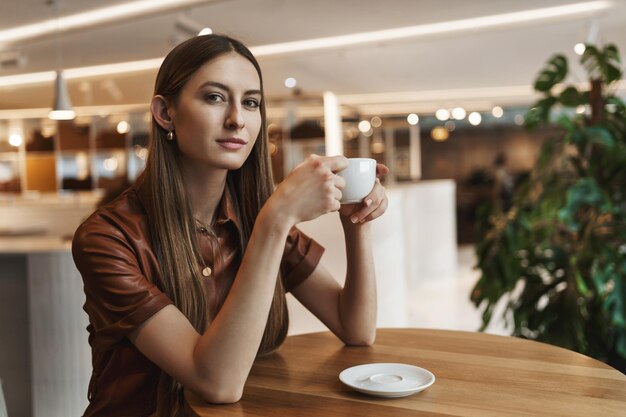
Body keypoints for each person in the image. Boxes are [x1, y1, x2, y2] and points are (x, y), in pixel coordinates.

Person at [72, 34, 388, 417]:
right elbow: (216, 384)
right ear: (165, 112)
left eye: (250, 102)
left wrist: (357, 221)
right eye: (215, 97)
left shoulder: (257, 214)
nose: (237, 118)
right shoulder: (108, 238)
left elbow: (355, 328)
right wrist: (276, 219)